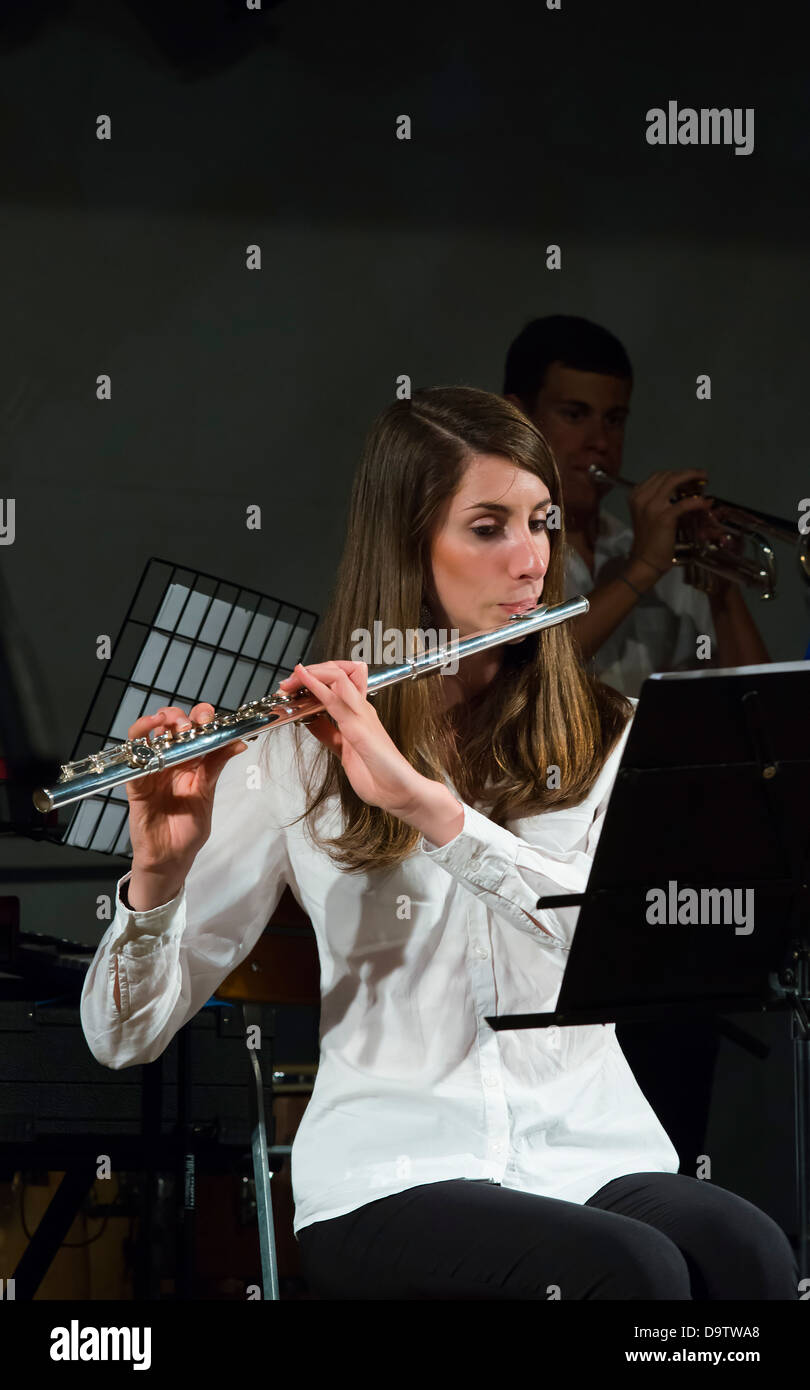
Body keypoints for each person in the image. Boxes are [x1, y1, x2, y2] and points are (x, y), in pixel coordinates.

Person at [80, 387, 796, 1300]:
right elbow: (122, 1039)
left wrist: (439, 816)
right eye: (487, 527)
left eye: (540, 522)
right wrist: (159, 874)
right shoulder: (295, 756)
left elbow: (616, 950)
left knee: (751, 1255)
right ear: (409, 546)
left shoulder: (607, 735)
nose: (531, 559)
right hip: (394, 1172)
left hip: (590, 1152)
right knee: (634, 1276)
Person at [503, 315, 770, 699]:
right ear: (520, 418)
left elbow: (760, 704)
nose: (600, 441)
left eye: (614, 420)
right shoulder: (495, 549)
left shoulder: (656, 554)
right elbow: (529, 666)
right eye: (575, 415)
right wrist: (642, 569)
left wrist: (722, 587)